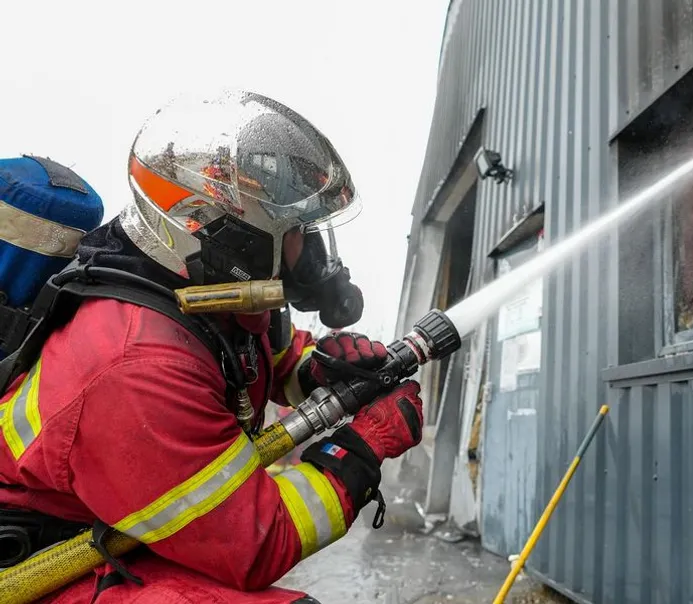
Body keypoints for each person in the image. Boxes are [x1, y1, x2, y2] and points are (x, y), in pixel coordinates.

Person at [0, 90, 424, 603]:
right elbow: (257, 540)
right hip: (47, 562)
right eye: (297, 232)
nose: (311, 251)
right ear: (232, 239)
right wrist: (360, 448)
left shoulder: (215, 298)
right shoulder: (137, 365)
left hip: (120, 523)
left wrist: (317, 370)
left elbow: (267, 359)